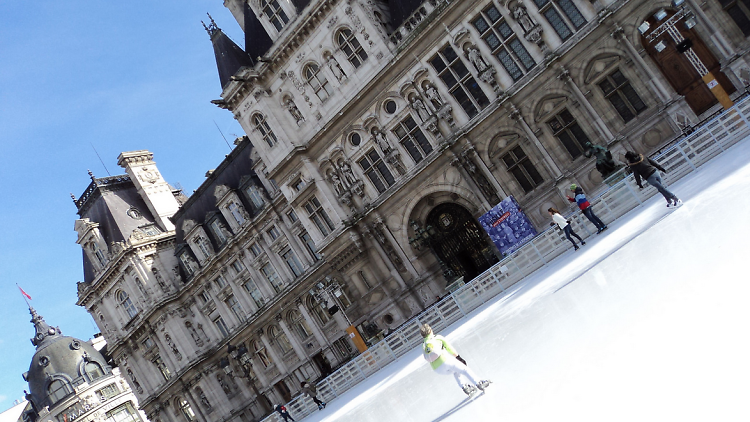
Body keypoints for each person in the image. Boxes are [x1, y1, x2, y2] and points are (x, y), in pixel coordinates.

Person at [420, 323, 491, 396]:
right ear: (430, 331)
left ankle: (465, 387)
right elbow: (449, 348)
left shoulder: (424, 344)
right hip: (445, 361)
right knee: (465, 369)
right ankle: (479, 383)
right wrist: (458, 357)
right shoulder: (437, 338)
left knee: (455, 371)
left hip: (437, 369)